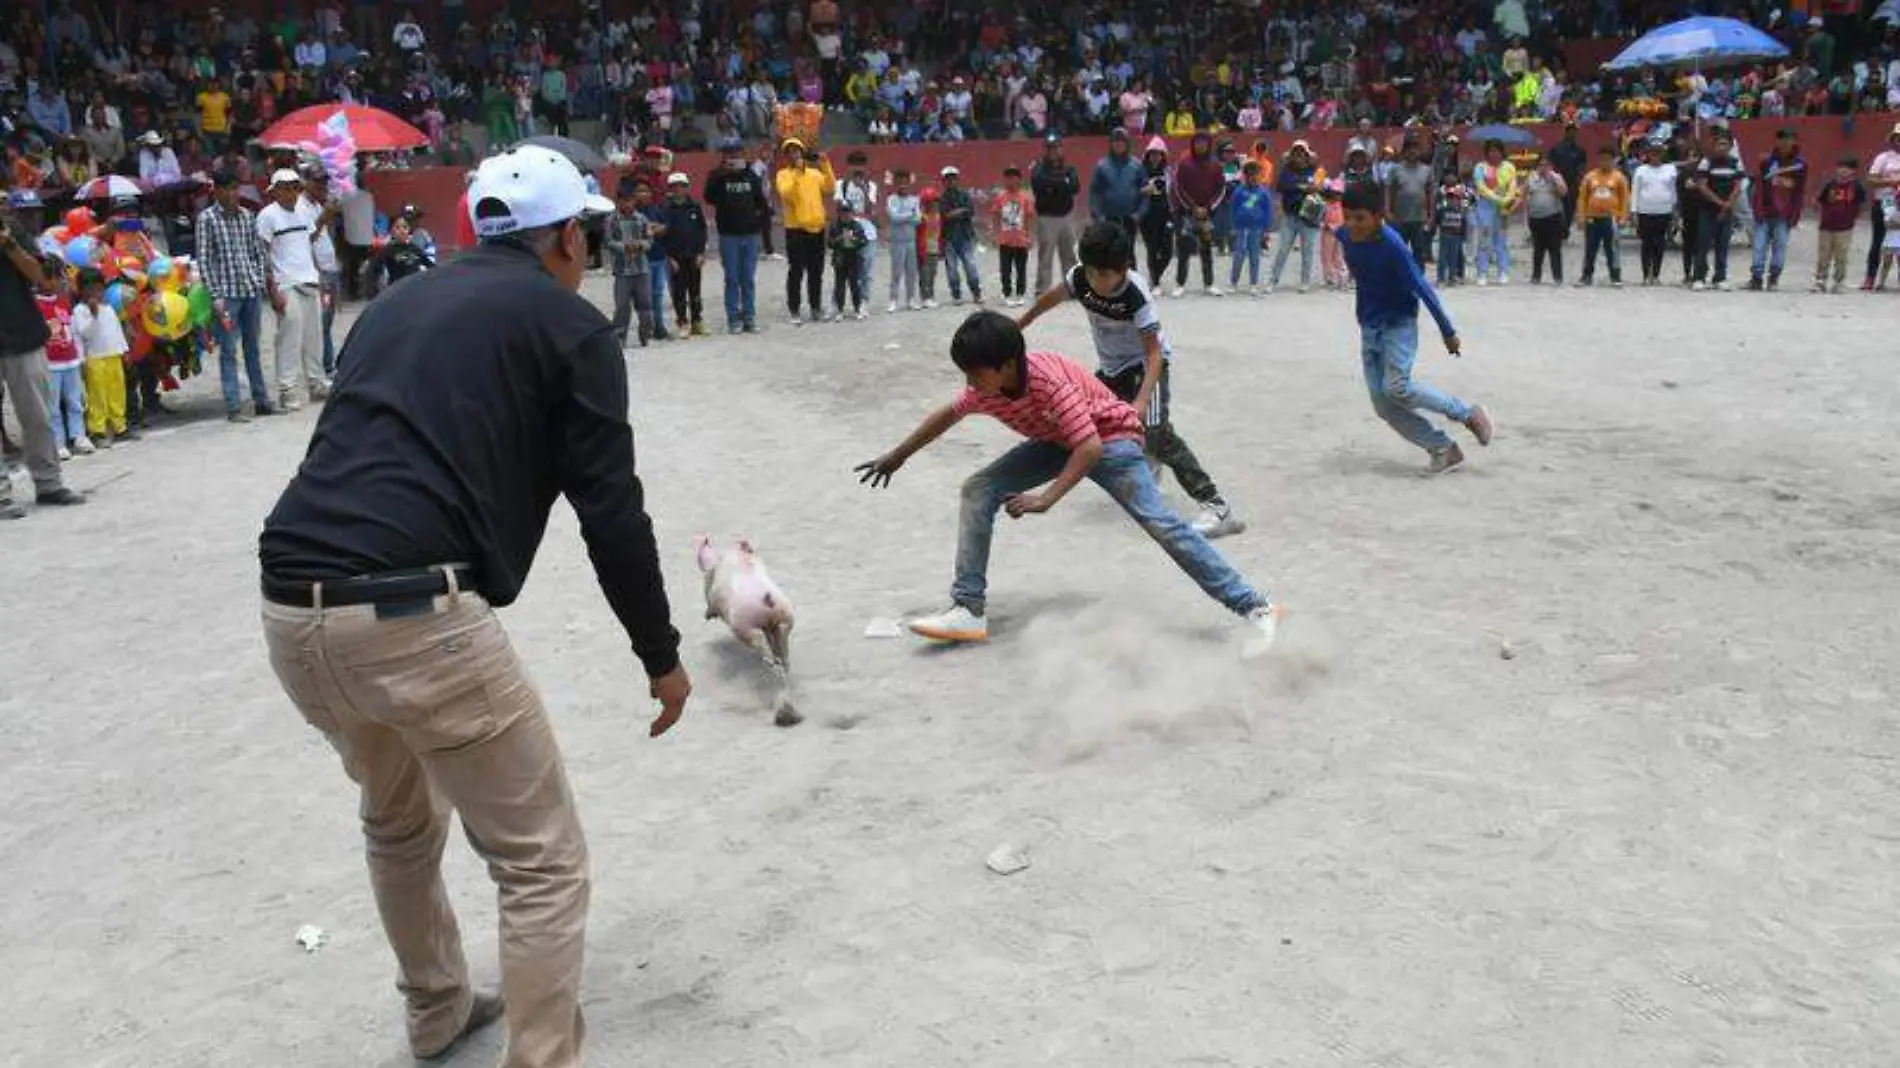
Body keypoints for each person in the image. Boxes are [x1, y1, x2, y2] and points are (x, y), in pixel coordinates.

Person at [257, 144, 690, 1068]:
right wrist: (661, 652)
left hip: (293, 610)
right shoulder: (568, 326)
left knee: (397, 823)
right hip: (416, 614)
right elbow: (611, 510)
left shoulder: (397, 299)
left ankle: (437, 1011)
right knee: (541, 861)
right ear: (568, 236)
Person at [853, 311, 1281, 652]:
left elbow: (1091, 448)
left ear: (1005, 366)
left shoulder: (1048, 382)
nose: (970, 383)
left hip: (1112, 441)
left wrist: (1046, 499)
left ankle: (1255, 607)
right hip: (1060, 441)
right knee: (979, 487)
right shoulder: (987, 387)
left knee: (1162, 525)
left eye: (975, 373)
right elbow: (947, 414)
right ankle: (968, 608)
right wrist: (897, 457)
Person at [1018, 219, 1246, 538]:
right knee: (1081, 418)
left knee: (1156, 432)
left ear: (1123, 268)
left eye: (1105, 275)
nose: (1097, 281)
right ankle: (1147, 463)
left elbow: (1154, 354)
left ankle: (1217, 507)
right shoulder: (1081, 277)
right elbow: (1051, 298)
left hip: (1144, 368)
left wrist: (1140, 400)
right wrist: (1020, 324)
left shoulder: (1136, 294)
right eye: (1092, 272)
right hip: (1111, 369)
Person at [1336, 184, 1492, 475]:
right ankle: (1443, 448)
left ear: (1378, 216)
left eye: (1360, 218)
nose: (1353, 225)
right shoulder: (1345, 234)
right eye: (1348, 217)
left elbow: (1422, 287)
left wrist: (1448, 331)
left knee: (1397, 387)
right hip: (1369, 326)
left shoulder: (1393, 247)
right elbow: (1331, 226)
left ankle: (1467, 414)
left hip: (1398, 324)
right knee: (1383, 405)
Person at [0, 220, 88, 519]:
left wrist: (9, 244)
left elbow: (41, 278)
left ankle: (49, 483)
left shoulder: (14, 231)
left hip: (23, 333)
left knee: (38, 415)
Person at [199, 171, 277, 420]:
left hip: (250, 290)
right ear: (217, 191)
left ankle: (261, 399)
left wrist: (258, 278)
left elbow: (257, 252)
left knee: (253, 346)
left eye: (236, 189)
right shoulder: (207, 219)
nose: (233, 195)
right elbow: (205, 260)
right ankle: (234, 405)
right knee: (229, 350)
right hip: (227, 294)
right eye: (228, 190)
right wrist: (216, 296)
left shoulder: (246, 216)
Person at [256, 169, 329, 409]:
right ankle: (287, 389)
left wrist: (320, 275)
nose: (291, 193)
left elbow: (307, 242)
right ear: (275, 191)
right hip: (285, 283)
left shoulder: (303, 212)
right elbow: (262, 254)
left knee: (313, 336)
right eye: (285, 188)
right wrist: (273, 289)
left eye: (295, 188)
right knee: (289, 338)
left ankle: (316, 383)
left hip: (309, 279)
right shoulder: (267, 216)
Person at [701, 139, 767, 334]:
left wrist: (756, 221)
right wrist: (722, 175)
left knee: (748, 278)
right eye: (728, 152)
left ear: (742, 152)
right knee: (731, 278)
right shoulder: (717, 175)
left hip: (750, 233)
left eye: (736, 151)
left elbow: (760, 201)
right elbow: (709, 197)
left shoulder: (750, 175)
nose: (733, 155)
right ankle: (733, 319)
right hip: (729, 234)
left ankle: (749, 317)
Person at [70, 268, 133, 449]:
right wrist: (94, 314)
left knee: (116, 390)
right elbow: (85, 334)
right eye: (90, 289)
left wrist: (124, 350)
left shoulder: (109, 309)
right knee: (97, 394)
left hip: (113, 354)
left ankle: (119, 425)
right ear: (81, 290)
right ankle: (97, 429)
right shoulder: (80, 311)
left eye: (99, 288)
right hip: (94, 358)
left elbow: (116, 331)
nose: (96, 293)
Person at [775, 138, 834, 326]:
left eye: (797, 150)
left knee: (816, 271)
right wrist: (798, 174)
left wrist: (825, 165)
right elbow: (787, 195)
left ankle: (815, 307)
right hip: (796, 229)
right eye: (790, 152)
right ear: (786, 156)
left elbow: (830, 188)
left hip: (817, 227)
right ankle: (794, 309)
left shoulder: (815, 174)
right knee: (796, 271)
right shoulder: (783, 175)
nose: (794, 154)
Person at [36, 270, 88, 456]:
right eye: (54, 278)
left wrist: (80, 356)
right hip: (50, 363)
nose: (58, 282)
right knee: (53, 405)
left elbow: (73, 330)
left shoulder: (64, 301)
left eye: (59, 278)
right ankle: (58, 442)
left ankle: (78, 435)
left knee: (75, 401)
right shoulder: (36, 304)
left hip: (70, 359)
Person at [300, 165, 345, 377]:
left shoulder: (318, 205)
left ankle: (327, 365)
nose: (322, 186)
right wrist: (323, 218)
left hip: (330, 268)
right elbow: (304, 240)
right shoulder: (301, 207)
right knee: (322, 322)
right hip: (318, 271)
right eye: (317, 181)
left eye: (324, 182)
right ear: (306, 182)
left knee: (327, 321)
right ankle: (325, 367)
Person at [1170, 131, 1226, 297]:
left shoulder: (1216, 165)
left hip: (1207, 214)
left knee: (1206, 248)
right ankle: (1180, 284)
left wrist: (1207, 208)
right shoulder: (1185, 164)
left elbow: (1221, 189)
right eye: (1197, 142)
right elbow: (1178, 188)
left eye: (1203, 142)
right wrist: (1192, 207)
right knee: (1184, 248)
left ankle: (1209, 284)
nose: (1200, 146)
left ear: (1209, 145)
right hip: (1187, 213)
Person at [1749, 129, 1806, 291]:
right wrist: (1757, 208)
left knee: (1780, 246)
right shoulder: (1766, 162)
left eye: (1790, 140)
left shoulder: (1800, 165)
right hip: (1765, 211)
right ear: (1777, 141)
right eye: (1783, 140)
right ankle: (1756, 278)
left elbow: (1799, 191)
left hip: (1784, 214)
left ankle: (1774, 278)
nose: (1786, 144)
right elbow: (1759, 187)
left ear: (1795, 142)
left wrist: (1795, 214)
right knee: (1759, 246)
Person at [606, 175, 656, 347]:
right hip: (622, 270)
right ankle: (620, 337)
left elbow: (650, 240)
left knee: (646, 304)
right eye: (623, 201)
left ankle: (645, 334)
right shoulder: (612, 220)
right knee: (622, 306)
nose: (627, 205)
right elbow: (608, 242)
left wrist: (640, 245)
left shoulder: (642, 219)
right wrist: (625, 247)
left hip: (641, 269)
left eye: (630, 201)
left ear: (634, 201)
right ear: (617, 202)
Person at [1690, 129, 1743, 292]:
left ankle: (1720, 277)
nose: (1722, 147)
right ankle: (1699, 277)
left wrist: (1729, 204)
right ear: (1713, 146)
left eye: (1725, 144)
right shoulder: (1707, 162)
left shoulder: (1735, 163)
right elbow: (1702, 186)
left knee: (1722, 244)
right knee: (1703, 244)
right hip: (1707, 210)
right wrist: (1720, 203)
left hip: (1726, 211)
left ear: (1730, 146)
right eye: (1719, 144)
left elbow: (1738, 186)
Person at [1270, 140, 1325, 293]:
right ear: (1292, 155)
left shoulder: (1315, 170)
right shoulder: (1286, 171)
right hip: (1290, 216)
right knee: (1283, 249)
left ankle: (1305, 281)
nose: (1299, 156)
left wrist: (1305, 187)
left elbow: (1319, 187)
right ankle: (1273, 279)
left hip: (1309, 217)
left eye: (1302, 153)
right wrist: (1302, 187)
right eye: (1296, 153)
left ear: (1307, 155)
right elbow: (1282, 187)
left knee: (1307, 251)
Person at [1029, 133, 1081, 294]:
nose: (1053, 151)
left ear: (1061, 149)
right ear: (1045, 150)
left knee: (1070, 255)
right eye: (1050, 148)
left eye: (1056, 147)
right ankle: (1042, 289)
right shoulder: (1038, 168)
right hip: (1047, 218)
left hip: (1066, 217)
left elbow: (1075, 187)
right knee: (1045, 256)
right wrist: (1062, 182)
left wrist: (1053, 185)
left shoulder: (1069, 168)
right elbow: (1039, 184)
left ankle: (1072, 288)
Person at [660, 173, 709, 337]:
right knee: (679, 291)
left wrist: (701, 252)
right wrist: (669, 257)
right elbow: (663, 235)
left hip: (694, 255)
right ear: (671, 189)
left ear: (687, 187)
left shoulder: (695, 207)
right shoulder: (666, 209)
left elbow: (702, 230)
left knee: (695, 291)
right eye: (674, 186)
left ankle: (697, 321)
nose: (678, 189)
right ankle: (682, 321)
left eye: (681, 186)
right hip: (676, 257)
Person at [1575, 147, 1629, 287]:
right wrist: (1581, 216)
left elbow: (1624, 199)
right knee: (1590, 248)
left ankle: (1615, 277)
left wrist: (1623, 217)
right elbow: (1582, 198)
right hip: (1592, 218)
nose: (1604, 162)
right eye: (1602, 159)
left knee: (1612, 249)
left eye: (1608, 159)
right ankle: (1586, 276)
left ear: (1613, 160)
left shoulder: (1619, 177)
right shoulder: (1590, 177)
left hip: (1610, 218)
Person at [1812, 155, 1866, 293]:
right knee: (1823, 254)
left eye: (1847, 169)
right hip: (1826, 225)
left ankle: (1839, 281)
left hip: (1845, 227)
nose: (1843, 171)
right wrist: (1819, 212)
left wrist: (1854, 218)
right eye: (1841, 167)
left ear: (1853, 171)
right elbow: (1819, 200)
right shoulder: (1830, 184)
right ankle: (1820, 280)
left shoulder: (1857, 186)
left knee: (1841, 255)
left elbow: (1862, 204)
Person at [1470, 139, 1519, 285]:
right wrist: (1498, 198)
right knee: (1484, 239)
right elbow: (1480, 187)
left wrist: (1506, 200)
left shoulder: (1509, 167)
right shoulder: (1480, 167)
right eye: (1491, 151)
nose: (1494, 154)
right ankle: (1482, 272)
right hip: (1485, 206)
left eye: (1497, 151)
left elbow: (1513, 186)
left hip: (1503, 207)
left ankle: (1503, 271)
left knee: (1501, 240)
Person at [1630, 142, 1679, 287]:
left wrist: (1675, 210)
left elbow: (1673, 191)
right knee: (1646, 244)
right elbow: (1635, 191)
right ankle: (1645, 274)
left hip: (1663, 211)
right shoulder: (1641, 170)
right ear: (1648, 154)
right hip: (1645, 211)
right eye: (1653, 153)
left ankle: (1656, 274)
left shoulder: (1670, 170)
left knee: (1659, 244)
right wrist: (1634, 211)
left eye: (1658, 153)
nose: (1655, 156)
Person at [1385, 141, 1436, 266]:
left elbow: (1431, 194)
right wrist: (1387, 211)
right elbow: (1388, 190)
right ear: (1404, 152)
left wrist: (1431, 215)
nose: (1413, 152)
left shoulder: (1427, 170)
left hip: (1420, 218)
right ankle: (1400, 279)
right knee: (1399, 251)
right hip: (1400, 218)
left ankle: (1418, 279)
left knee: (1419, 251)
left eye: (1415, 148)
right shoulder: (1395, 170)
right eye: (1409, 149)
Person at [938, 165, 983, 305]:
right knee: (951, 269)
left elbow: (970, 212)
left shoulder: (964, 195)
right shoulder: (942, 198)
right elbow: (946, 216)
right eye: (948, 179)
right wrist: (960, 211)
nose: (951, 182)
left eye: (953, 179)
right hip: (949, 237)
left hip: (965, 236)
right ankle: (956, 294)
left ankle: (976, 293)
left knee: (970, 266)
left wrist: (955, 213)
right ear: (944, 181)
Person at [1089, 128, 1146, 238]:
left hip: (1129, 219)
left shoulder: (1137, 166)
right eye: (1115, 141)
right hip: (1107, 219)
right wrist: (1097, 215)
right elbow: (1094, 193)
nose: (1118, 144)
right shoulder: (1101, 166)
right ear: (1111, 144)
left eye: (1122, 141)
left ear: (1127, 144)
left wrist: (1139, 214)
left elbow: (1145, 193)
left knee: (1128, 253)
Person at [1863, 123, 1900, 291]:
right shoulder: (1883, 158)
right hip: (1883, 202)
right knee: (1878, 241)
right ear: (1893, 139)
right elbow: (1871, 179)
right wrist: (1892, 182)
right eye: (1898, 138)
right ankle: (1870, 277)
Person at [1228, 161, 1273, 294]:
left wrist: (1267, 230)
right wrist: (1233, 226)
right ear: (1245, 176)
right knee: (1239, 255)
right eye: (1250, 175)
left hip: (1257, 229)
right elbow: (1233, 209)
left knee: (1255, 256)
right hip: (1241, 228)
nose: (1253, 178)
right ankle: (1234, 282)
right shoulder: (1238, 192)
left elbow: (1268, 212)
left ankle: (1253, 283)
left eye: (1256, 175)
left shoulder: (1263, 193)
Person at [361, 215, 436, 294]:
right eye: (397, 227)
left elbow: (430, 266)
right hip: (396, 292)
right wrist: (373, 292)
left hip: (415, 290)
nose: (402, 231)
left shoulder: (415, 249)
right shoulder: (387, 250)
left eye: (405, 227)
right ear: (391, 231)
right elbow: (373, 271)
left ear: (409, 230)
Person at [993, 166, 1035, 307]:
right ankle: (1007, 293)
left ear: (1019, 179)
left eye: (1013, 176)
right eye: (1008, 177)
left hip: (1021, 239)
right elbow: (996, 215)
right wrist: (996, 234)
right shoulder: (1000, 197)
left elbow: (1029, 217)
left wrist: (1029, 236)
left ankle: (1020, 293)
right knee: (1005, 269)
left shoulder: (1025, 197)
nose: (1010, 180)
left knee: (1021, 268)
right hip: (1005, 239)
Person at [1523, 154, 1568, 285]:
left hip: (1553, 217)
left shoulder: (1556, 177)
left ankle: (1557, 277)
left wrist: (1553, 180)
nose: (1543, 168)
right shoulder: (1531, 178)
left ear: (1551, 166)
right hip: (1536, 218)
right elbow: (1524, 194)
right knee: (1538, 249)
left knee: (1555, 248)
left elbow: (1563, 193)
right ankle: (1536, 276)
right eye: (1541, 165)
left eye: (1546, 165)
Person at [884, 169, 921, 313]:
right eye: (900, 183)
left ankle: (911, 298)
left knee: (911, 272)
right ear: (896, 184)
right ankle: (893, 300)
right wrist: (909, 215)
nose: (903, 186)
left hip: (911, 240)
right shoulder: (891, 199)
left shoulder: (914, 199)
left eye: (905, 183)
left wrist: (905, 216)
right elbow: (894, 218)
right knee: (896, 271)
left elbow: (918, 219)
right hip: (897, 241)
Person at [827, 201, 870, 320]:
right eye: (843, 212)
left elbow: (864, 241)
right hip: (840, 259)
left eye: (848, 212)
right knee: (839, 285)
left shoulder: (857, 225)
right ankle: (839, 310)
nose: (846, 215)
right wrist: (838, 240)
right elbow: (829, 243)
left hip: (853, 259)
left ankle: (857, 309)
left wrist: (854, 240)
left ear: (852, 213)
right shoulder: (834, 226)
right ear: (839, 213)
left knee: (854, 285)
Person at [1435, 175, 1471, 286]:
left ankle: (1456, 276)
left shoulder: (1463, 192)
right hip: (1446, 231)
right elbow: (1439, 210)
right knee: (1444, 255)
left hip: (1457, 231)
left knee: (1456, 254)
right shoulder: (1441, 194)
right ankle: (1442, 278)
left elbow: (1468, 206)